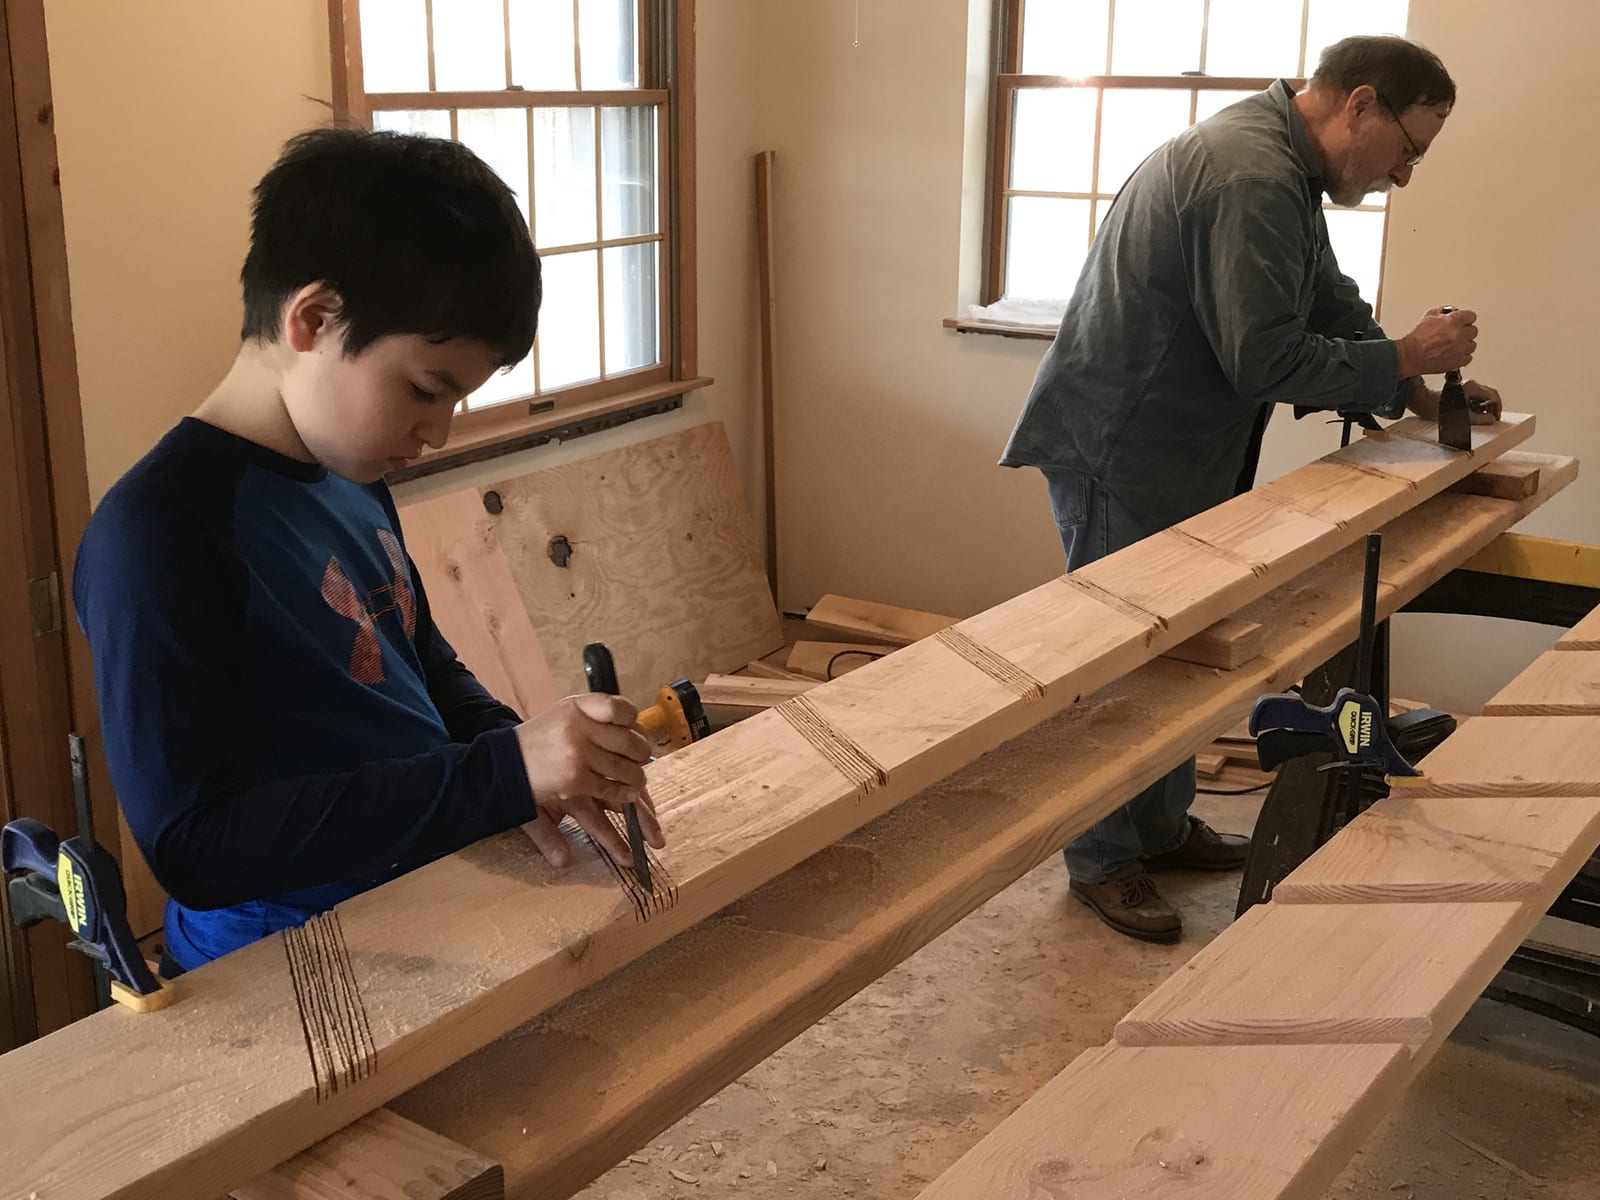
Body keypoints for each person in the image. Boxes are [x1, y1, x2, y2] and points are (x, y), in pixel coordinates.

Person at [72, 128, 662, 972]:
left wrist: (529, 758)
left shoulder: (348, 471)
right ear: (314, 320)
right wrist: (497, 774)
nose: (438, 432)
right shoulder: (155, 532)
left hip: (420, 898)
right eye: (424, 389)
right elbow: (196, 847)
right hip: (284, 957)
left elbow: (418, 659)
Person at [1000, 35, 1502, 943]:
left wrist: (1415, 388)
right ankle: (1103, 860)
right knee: (1122, 662)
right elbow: (1264, 359)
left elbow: (1325, 300)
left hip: (1181, 447)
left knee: (1178, 652)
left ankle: (1157, 829)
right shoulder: (1250, 175)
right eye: (1409, 150)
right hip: (1123, 448)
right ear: (1361, 105)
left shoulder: (1286, 169)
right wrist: (1404, 354)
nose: (1403, 175)